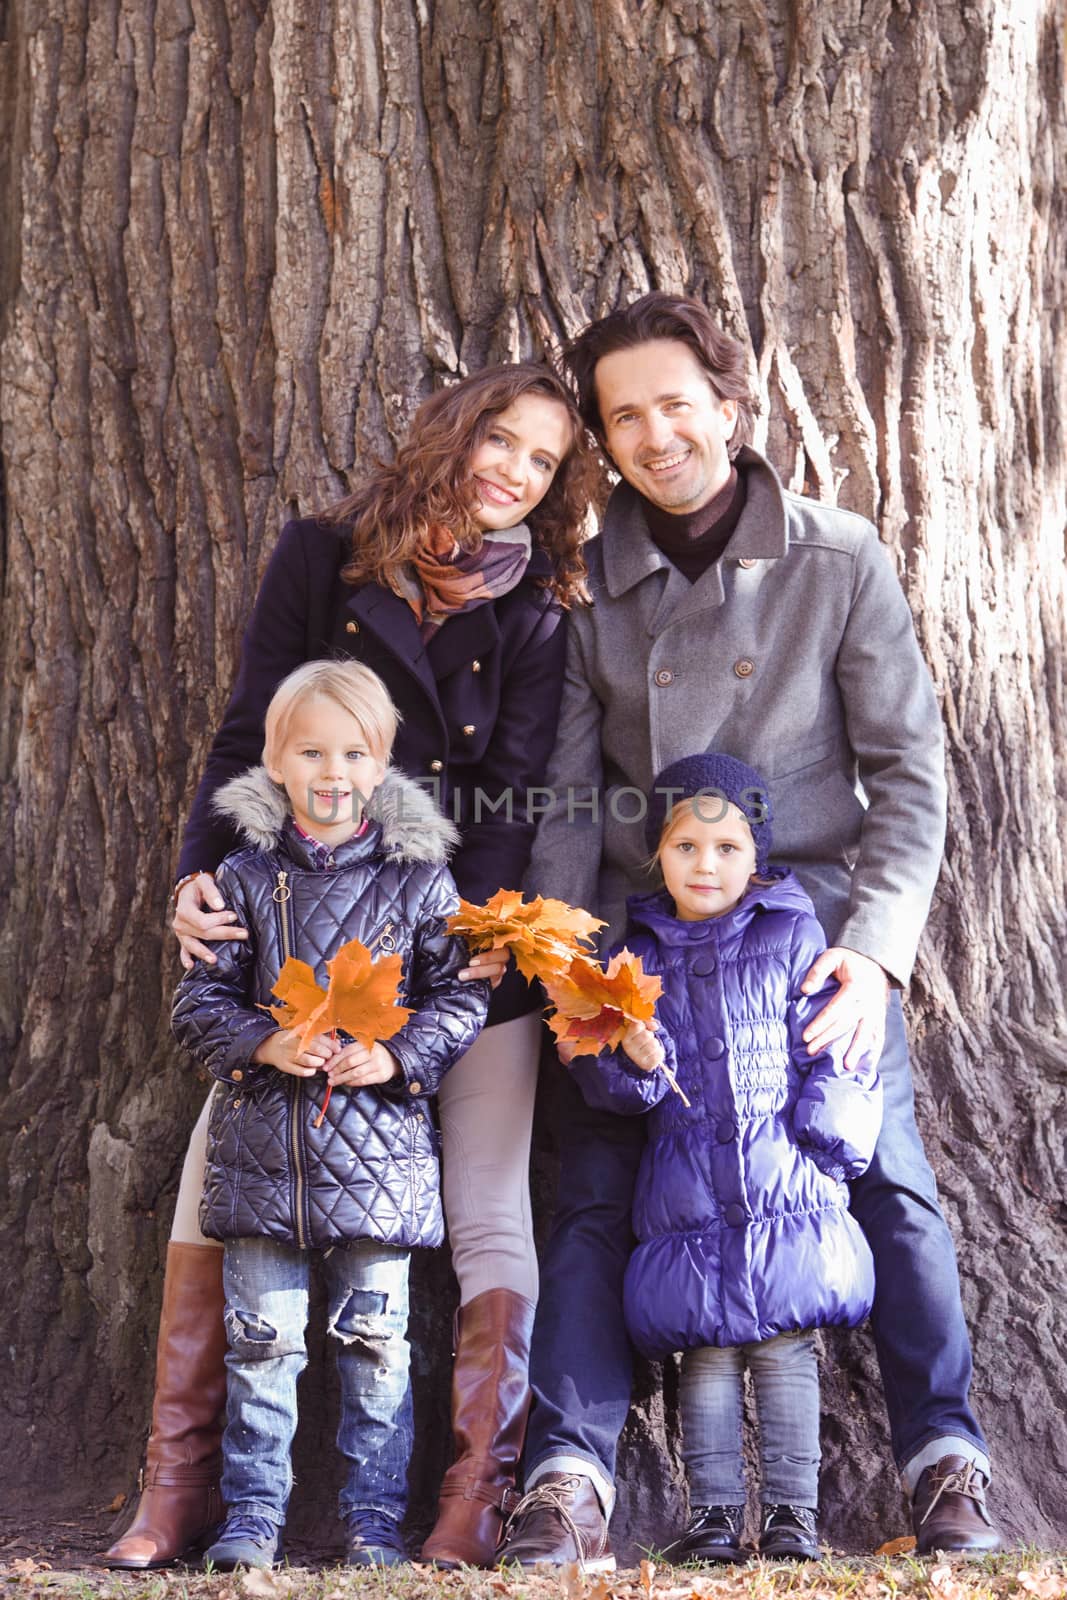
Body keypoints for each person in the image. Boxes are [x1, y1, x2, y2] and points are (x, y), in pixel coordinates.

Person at [500, 293, 1001, 1569]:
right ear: (602, 444)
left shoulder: (834, 556)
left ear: (729, 402)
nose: (655, 433)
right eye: (624, 416)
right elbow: (563, 796)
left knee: (886, 1181)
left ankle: (945, 1460)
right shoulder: (586, 591)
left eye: (677, 402)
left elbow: (909, 772)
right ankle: (565, 1482)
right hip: (644, 959)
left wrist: (877, 950)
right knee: (596, 1199)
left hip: (810, 951)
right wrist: (570, 963)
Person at [102, 362, 600, 1571]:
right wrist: (201, 881)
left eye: (539, 462)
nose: (509, 472)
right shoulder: (323, 554)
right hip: (289, 917)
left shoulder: (537, 608)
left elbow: (505, 801)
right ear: (454, 430)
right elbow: (245, 731)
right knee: (217, 1181)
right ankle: (174, 1489)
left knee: (486, 1199)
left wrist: (444, 968)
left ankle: (472, 1494)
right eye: (498, 439)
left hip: (453, 935)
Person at [170, 661, 489, 1569]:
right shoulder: (241, 879)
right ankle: (251, 1519)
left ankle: (373, 1523)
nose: (332, 771)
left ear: (383, 763)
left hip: (380, 1160)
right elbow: (197, 1006)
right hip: (265, 1156)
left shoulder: (421, 881)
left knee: (376, 1346)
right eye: (310, 751)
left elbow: (456, 1002)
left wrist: (395, 1055)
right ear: (275, 761)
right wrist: (265, 1044)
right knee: (262, 1349)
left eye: (353, 752)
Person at [566, 754, 881, 1565]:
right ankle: (710, 1515)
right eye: (684, 849)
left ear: (756, 855)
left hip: (787, 1182)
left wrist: (829, 1147)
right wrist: (632, 1056)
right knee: (703, 1350)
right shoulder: (638, 957)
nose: (705, 865)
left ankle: (789, 1515)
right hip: (686, 1193)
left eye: (726, 849)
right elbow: (619, 1088)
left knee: (783, 1351)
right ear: (657, 855)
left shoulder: (791, 932)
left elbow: (838, 1050)